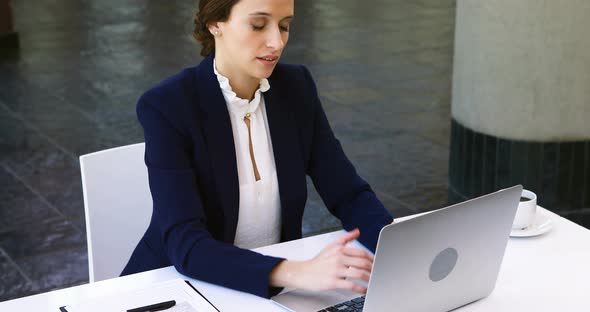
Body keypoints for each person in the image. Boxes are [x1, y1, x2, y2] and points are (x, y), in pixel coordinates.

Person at [122, 0, 393, 299]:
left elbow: (348, 194)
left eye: (285, 25)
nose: (276, 41)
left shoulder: (296, 88)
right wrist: (298, 272)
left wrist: (396, 251)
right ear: (215, 23)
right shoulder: (168, 106)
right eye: (258, 25)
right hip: (178, 290)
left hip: (269, 294)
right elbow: (186, 242)